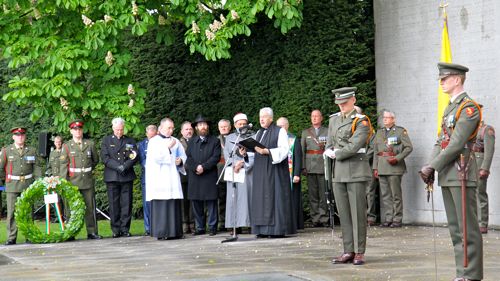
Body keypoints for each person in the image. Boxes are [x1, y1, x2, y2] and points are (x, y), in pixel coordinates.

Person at [420, 62, 483, 281]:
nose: (442, 82)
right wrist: (430, 165)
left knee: (467, 227)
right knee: (456, 228)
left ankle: (471, 274)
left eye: (445, 78)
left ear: (457, 79)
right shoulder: (449, 108)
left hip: (462, 171)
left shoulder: (469, 108)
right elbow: (441, 140)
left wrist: (433, 165)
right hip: (449, 173)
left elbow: (456, 144)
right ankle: (462, 272)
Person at [325, 87, 372, 265]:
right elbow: (329, 141)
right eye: (339, 103)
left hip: (355, 171)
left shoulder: (361, 121)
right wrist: (328, 150)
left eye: (344, 103)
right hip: (338, 171)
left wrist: (336, 153)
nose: (341, 106)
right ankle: (348, 250)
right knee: (344, 213)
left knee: (358, 213)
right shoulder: (334, 120)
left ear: (353, 100)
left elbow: (355, 145)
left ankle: (360, 251)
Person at [244, 107, 296, 238]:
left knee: (274, 198)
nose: (261, 119)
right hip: (260, 171)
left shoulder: (280, 131)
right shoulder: (258, 133)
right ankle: (261, 230)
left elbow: (285, 150)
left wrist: (268, 151)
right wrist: (245, 153)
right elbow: (254, 152)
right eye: (260, 116)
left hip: (275, 171)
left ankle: (276, 230)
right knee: (260, 198)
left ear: (271, 118)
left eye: (265, 116)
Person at [59, 120, 102, 240]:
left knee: (90, 207)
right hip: (73, 182)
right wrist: (64, 183)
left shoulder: (90, 144)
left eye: (80, 129)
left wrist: (87, 170)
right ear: (71, 131)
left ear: (82, 130)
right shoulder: (66, 146)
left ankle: (92, 232)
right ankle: (71, 233)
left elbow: (95, 160)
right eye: (75, 129)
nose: (78, 131)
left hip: (87, 180)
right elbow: (63, 166)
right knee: (71, 208)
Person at [0, 127, 42, 245]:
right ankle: (11, 237)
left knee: (28, 212)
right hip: (12, 186)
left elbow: (37, 167)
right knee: (12, 212)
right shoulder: (7, 150)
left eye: (22, 135)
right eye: (18, 135)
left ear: (25, 137)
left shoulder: (32, 150)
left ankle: (29, 236)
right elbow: (1, 168)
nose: (20, 137)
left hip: (27, 185)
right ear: (13, 137)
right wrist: (7, 179)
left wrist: (38, 180)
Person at [146, 118, 185, 240]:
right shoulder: (153, 141)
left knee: (173, 203)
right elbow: (155, 158)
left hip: (172, 176)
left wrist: (180, 161)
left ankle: (175, 232)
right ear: (161, 128)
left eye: (172, 128)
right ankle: (162, 232)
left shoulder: (176, 141)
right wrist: (167, 148)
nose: (171, 130)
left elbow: (183, 155)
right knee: (162, 204)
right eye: (169, 127)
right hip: (160, 178)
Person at [372, 110, 413, 228]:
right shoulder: (379, 133)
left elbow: (408, 147)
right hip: (382, 167)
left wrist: (398, 158)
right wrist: (375, 167)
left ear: (393, 119)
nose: (385, 119)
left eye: (387, 117)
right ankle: (388, 218)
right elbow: (376, 151)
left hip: (394, 166)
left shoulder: (400, 131)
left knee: (396, 195)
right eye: (384, 117)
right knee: (385, 195)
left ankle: (397, 219)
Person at [101, 117, 138, 238]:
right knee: (113, 204)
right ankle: (115, 229)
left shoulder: (129, 140)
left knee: (127, 204)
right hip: (112, 176)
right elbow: (105, 158)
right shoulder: (106, 140)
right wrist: (118, 167)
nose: (119, 132)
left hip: (126, 175)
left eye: (121, 129)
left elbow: (134, 156)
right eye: (117, 130)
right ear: (113, 128)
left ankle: (125, 229)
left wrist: (125, 166)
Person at [185, 115, 221, 236]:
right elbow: (187, 158)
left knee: (211, 203)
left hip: (209, 176)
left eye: (205, 124)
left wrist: (203, 167)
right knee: (196, 203)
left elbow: (215, 157)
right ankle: (200, 227)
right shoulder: (191, 142)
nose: (203, 126)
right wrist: (196, 167)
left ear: (208, 126)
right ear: (196, 127)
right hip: (195, 177)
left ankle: (212, 227)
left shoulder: (215, 141)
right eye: (200, 125)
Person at [223, 113, 253, 233]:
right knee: (233, 198)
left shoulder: (253, 136)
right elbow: (226, 154)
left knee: (247, 197)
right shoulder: (230, 137)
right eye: (239, 124)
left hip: (247, 171)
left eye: (244, 124)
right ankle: (235, 224)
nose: (242, 126)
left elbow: (255, 153)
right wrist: (234, 163)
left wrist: (242, 163)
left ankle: (250, 223)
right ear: (235, 125)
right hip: (234, 171)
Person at [301, 109, 329, 227]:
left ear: (321, 118)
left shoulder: (327, 131)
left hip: (323, 166)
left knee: (323, 194)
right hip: (310, 167)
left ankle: (324, 218)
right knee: (313, 195)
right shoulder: (305, 133)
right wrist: (303, 167)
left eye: (317, 116)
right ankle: (315, 218)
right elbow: (302, 151)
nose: (314, 118)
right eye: (313, 116)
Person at [277, 117, 303, 230]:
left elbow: (298, 157)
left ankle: (294, 224)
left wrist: (297, 174)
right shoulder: (276, 138)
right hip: (280, 174)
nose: (280, 128)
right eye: (278, 126)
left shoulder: (293, 139)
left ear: (287, 126)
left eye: (282, 125)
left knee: (293, 200)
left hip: (292, 174)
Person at [473, 119, 495, 234]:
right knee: (471, 193)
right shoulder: (471, 129)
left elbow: (489, 150)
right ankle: (474, 222)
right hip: (470, 164)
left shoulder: (487, 130)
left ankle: (482, 224)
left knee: (480, 193)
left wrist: (485, 168)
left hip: (480, 164)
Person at [137, 124, 158, 236]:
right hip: (147, 177)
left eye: (153, 136)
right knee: (147, 203)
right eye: (150, 136)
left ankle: (158, 226)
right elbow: (142, 160)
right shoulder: (141, 145)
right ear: (146, 134)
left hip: (159, 177)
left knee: (158, 202)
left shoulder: (161, 143)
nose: (151, 138)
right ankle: (148, 228)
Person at [179, 121, 194, 233]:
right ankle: (185, 223)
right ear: (182, 131)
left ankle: (193, 223)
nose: (189, 131)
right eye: (186, 129)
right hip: (183, 175)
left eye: (190, 129)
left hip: (195, 175)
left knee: (194, 200)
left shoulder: (196, 141)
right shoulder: (177, 143)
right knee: (184, 201)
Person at [217, 119, 231, 231]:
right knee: (221, 200)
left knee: (232, 199)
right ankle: (222, 222)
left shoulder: (234, 138)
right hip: (220, 173)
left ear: (230, 127)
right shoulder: (216, 141)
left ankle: (233, 223)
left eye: (226, 126)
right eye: (222, 127)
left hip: (232, 172)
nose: (224, 128)